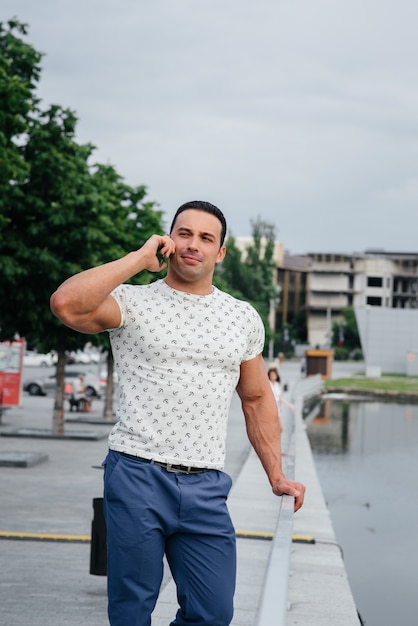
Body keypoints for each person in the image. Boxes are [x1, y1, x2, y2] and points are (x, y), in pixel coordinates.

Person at [50, 200, 305, 626]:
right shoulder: (131, 302)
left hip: (206, 484)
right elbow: (66, 304)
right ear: (168, 241)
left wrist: (276, 475)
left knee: (213, 612)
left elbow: (257, 399)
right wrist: (136, 260)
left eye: (207, 238)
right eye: (184, 233)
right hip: (136, 475)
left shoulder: (241, 317)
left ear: (220, 253)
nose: (193, 244)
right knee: (131, 612)